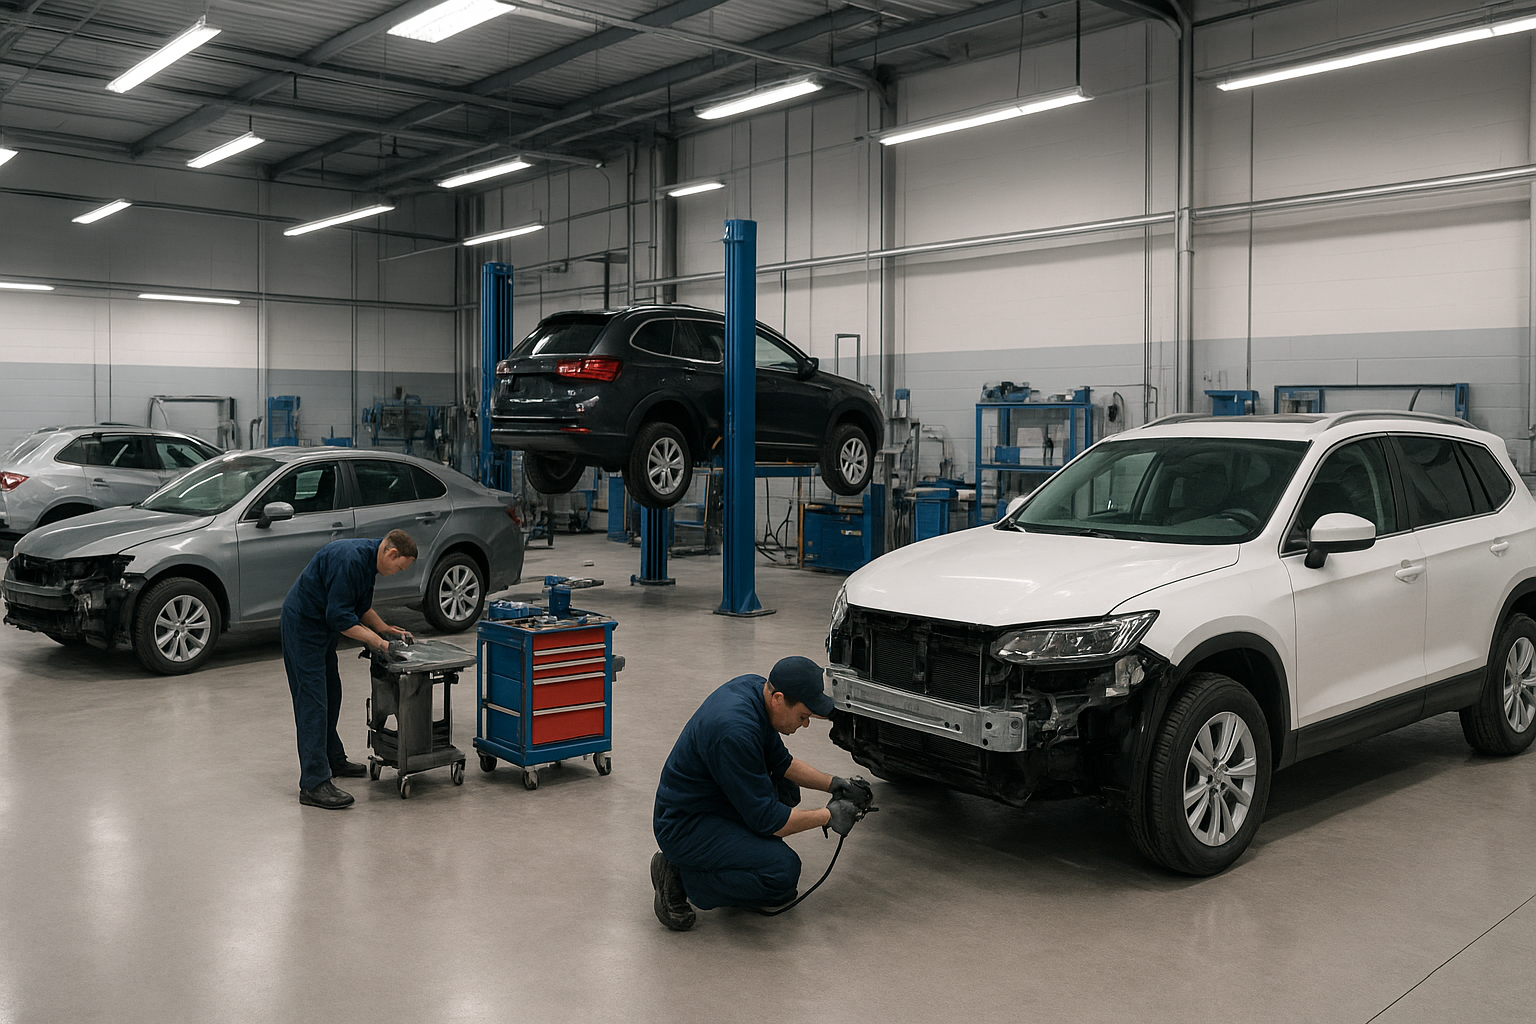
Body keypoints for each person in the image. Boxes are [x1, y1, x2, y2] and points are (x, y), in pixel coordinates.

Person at [650, 655, 873, 930]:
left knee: (786, 792)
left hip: (712, 803)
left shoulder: (758, 691)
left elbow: (783, 763)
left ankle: (711, 861)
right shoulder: (734, 731)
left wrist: (834, 783)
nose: (805, 724)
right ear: (778, 699)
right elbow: (770, 821)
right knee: (781, 874)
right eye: (803, 716)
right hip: (684, 825)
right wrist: (828, 815)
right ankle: (679, 876)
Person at [282, 530, 418, 809]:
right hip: (303, 628)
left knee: (332, 695)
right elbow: (340, 616)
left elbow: (358, 607)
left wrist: (384, 628)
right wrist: (379, 643)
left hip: (321, 630)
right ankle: (313, 783)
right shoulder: (350, 560)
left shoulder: (369, 561)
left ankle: (332, 758)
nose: (395, 573)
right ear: (391, 553)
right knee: (313, 703)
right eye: (399, 567)